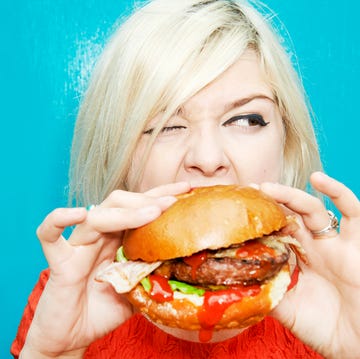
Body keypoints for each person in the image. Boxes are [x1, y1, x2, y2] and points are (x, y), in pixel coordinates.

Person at [11, 0, 360, 358]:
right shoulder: (69, 294)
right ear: (120, 155)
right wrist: (52, 354)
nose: (207, 160)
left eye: (246, 119)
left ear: (287, 141)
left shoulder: (342, 293)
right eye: (165, 125)